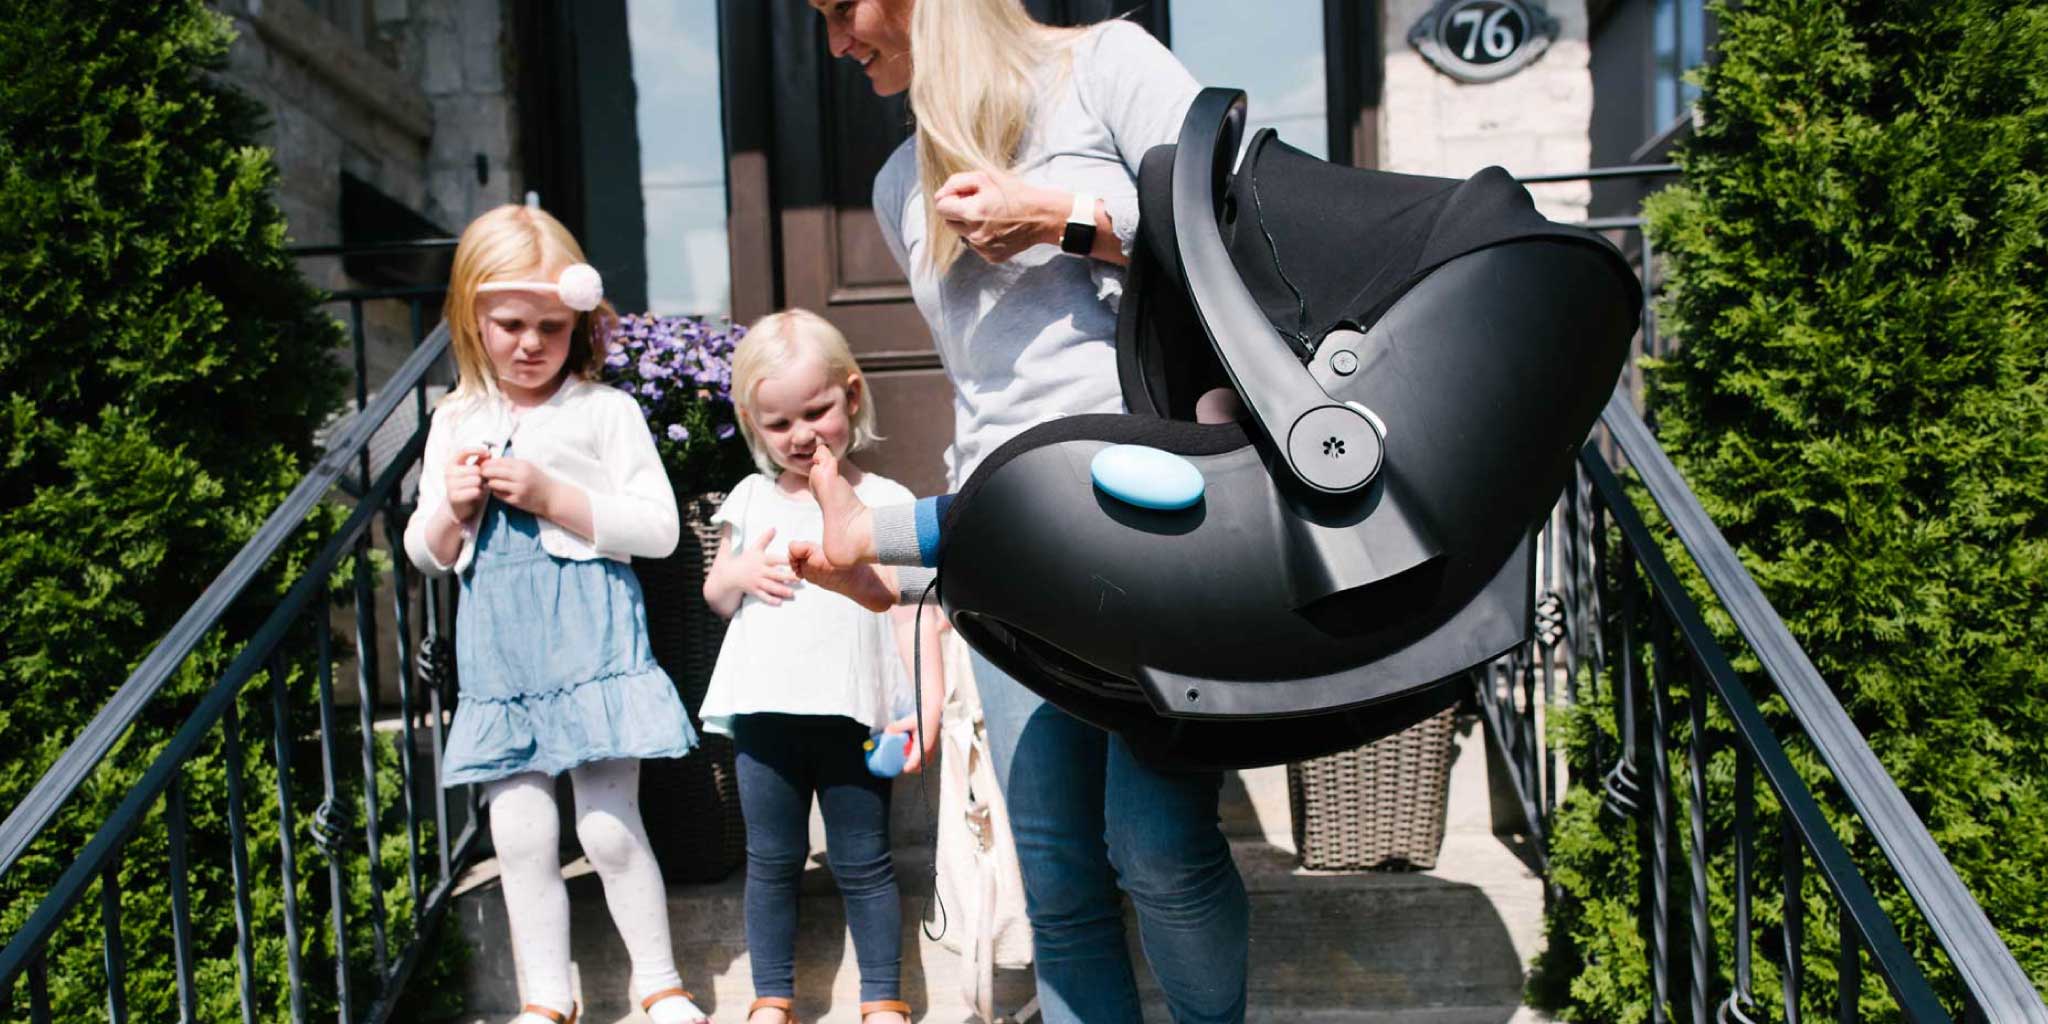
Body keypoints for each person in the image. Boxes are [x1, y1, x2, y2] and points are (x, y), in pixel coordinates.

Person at [789, 3, 1250, 1022]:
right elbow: (991, 394)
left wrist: (1060, 218)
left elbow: (1242, 231)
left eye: (841, 9)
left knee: (1159, 850)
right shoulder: (890, 183)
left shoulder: (1105, 66)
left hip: (1154, 530)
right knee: (1053, 871)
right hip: (1005, 561)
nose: (834, 44)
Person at [402, 204, 709, 1024]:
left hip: (592, 647)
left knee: (608, 828)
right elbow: (424, 552)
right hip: (505, 660)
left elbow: (658, 527)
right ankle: (547, 999)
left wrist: (553, 497)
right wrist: (452, 508)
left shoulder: (601, 412)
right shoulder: (455, 421)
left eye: (552, 326)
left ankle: (659, 984)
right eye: (510, 325)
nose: (531, 344)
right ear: (473, 319)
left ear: (578, 324)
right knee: (523, 837)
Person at [697, 309, 946, 1024]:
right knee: (771, 860)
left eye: (818, 411)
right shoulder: (750, 498)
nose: (803, 435)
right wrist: (739, 570)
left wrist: (926, 704)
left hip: (853, 709)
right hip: (765, 710)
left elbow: (910, 611)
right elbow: (715, 595)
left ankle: (882, 1000)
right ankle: (771, 997)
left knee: (863, 860)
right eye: (780, 424)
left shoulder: (887, 503)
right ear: (752, 421)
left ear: (853, 396)